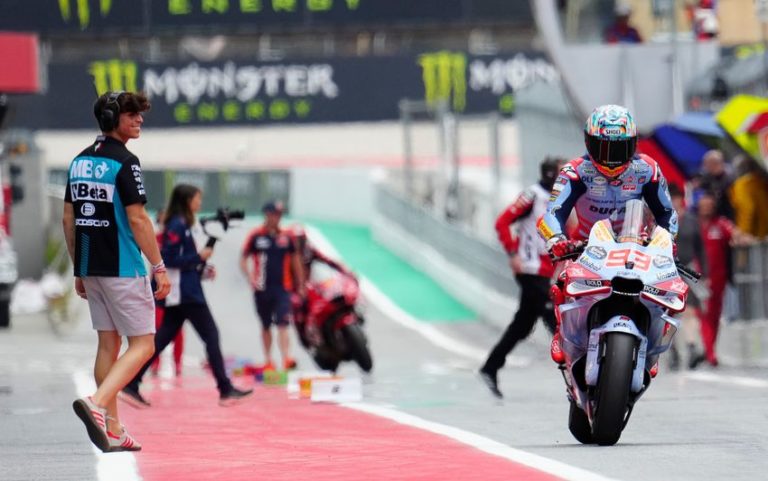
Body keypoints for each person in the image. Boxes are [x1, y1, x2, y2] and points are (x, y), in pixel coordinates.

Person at [66, 91, 170, 453]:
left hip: (91, 267)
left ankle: (113, 428)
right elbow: (138, 218)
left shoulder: (78, 161)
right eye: (132, 114)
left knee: (108, 345)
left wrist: (78, 267)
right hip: (123, 267)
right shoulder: (126, 161)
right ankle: (97, 403)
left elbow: (69, 219)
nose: (139, 120)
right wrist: (158, 266)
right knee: (143, 345)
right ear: (112, 119)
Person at [537, 104, 678, 363]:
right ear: (589, 143)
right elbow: (552, 213)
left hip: (636, 245)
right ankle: (561, 331)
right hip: (587, 246)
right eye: (604, 148)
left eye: (619, 148)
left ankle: (653, 345)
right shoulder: (575, 171)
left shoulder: (647, 169)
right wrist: (557, 240)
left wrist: (667, 241)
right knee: (561, 282)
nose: (611, 158)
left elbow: (667, 212)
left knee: (665, 286)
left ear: (633, 145)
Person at [121, 184, 253, 407]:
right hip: (185, 293)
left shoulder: (183, 224)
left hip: (183, 291)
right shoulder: (178, 224)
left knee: (161, 340)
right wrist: (200, 258)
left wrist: (202, 268)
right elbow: (168, 259)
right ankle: (225, 389)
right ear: (187, 201)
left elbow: (183, 260)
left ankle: (132, 384)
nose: (199, 203)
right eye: (197, 199)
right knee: (211, 335)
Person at [478, 158, 562, 398]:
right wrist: (513, 252)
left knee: (522, 325)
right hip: (530, 269)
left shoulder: (559, 200)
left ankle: (490, 367)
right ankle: (580, 375)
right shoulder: (532, 196)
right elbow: (502, 222)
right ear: (550, 175)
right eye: (561, 173)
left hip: (544, 271)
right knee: (555, 318)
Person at [240, 201, 305, 371]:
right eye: (275, 214)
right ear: (267, 214)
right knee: (266, 325)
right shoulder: (256, 236)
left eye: (280, 214)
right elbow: (243, 258)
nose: (278, 218)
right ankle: (268, 359)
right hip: (262, 288)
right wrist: (250, 277)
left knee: (283, 323)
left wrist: (301, 284)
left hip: (283, 288)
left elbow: (296, 260)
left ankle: (286, 358)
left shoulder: (287, 236)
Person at [288, 224, 357, 347]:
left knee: (334, 292)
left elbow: (327, 260)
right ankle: (305, 337)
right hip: (294, 289)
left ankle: (351, 316)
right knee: (298, 307)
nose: (299, 243)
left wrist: (345, 271)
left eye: (301, 239)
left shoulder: (308, 250)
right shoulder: (285, 255)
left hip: (310, 284)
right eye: (297, 240)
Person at [667, 185, 707, 370]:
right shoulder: (661, 220)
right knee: (668, 313)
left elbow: (700, 248)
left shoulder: (691, 220)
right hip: (666, 270)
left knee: (690, 311)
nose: (674, 201)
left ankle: (691, 346)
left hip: (687, 270)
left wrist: (704, 273)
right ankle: (673, 350)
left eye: (676, 198)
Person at [149, 209, 185, 377]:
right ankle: (155, 363)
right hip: (157, 287)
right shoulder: (155, 238)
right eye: (162, 220)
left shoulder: (182, 239)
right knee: (156, 326)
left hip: (176, 288)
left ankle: (177, 363)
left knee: (177, 329)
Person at [729, 155, 768, 239]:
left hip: (758, 234)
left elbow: (747, 208)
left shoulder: (743, 185)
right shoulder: (761, 180)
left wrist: (743, 232)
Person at [697, 149, 734, 220]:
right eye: (706, 165)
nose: (707, 168)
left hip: (730, 212)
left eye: (709, 165)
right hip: (715, 215)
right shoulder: (707, 177)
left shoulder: (730, 177)